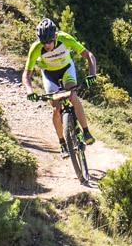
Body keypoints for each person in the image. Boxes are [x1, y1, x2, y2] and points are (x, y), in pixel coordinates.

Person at [22, 17, 97, 152]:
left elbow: (89, 55)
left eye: (49, 41)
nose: (47, 45)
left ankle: (86, 132)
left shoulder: (65, 39)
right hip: (50, 75)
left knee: (72, 95)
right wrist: (29, 91)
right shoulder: (36, 48)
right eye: (43, 42)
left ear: (55, 36)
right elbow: (26, 74)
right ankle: (62, 142)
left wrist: (92, 75)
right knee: (56, 109)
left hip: (66, 70)